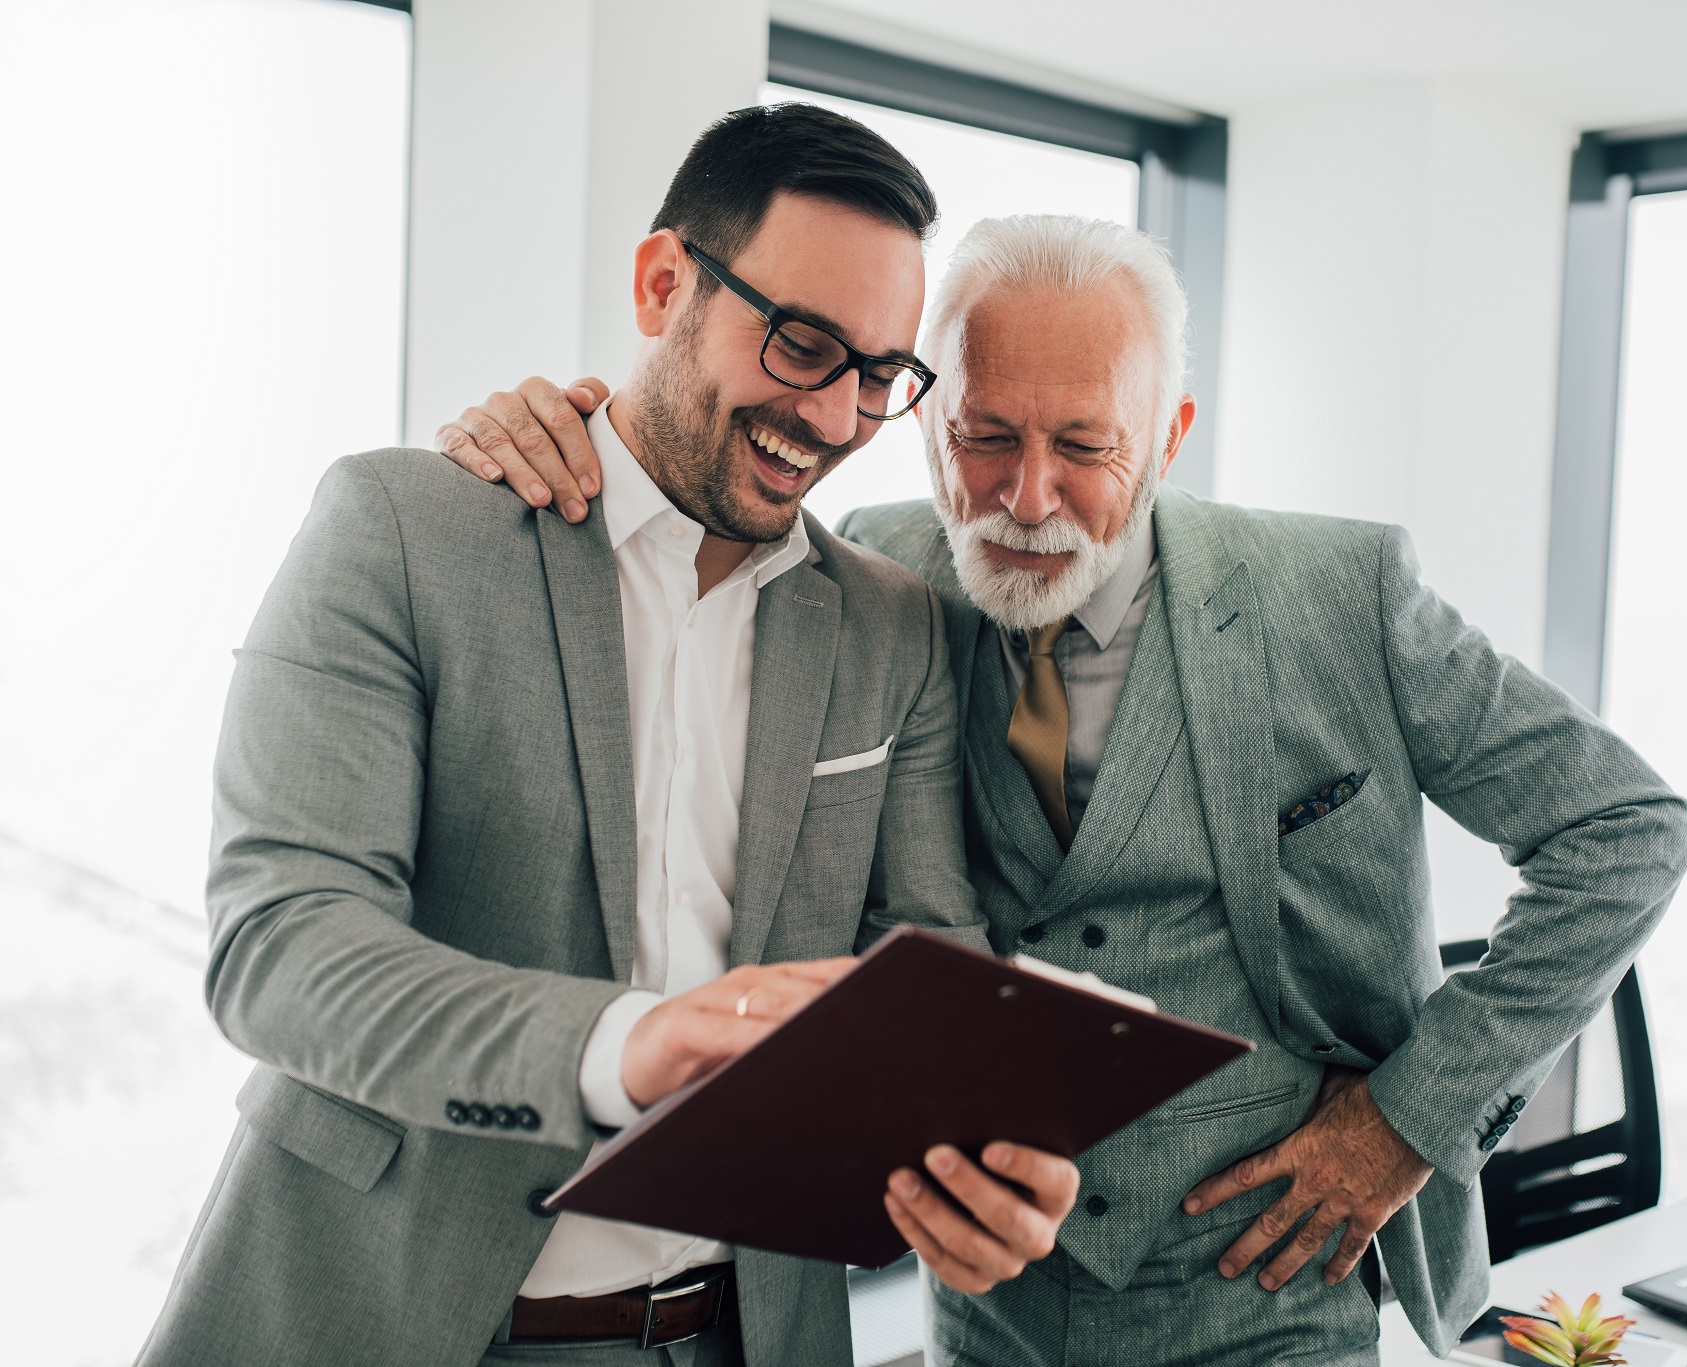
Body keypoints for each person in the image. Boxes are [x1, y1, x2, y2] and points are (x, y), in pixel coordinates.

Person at [439, 212, 1687, 1366]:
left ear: (1168, 434)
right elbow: (681, 490)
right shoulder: (865, 572)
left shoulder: (1343, 593)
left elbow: (1624, 831)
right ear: (922, 418)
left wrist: (1407, 1117)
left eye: (1084, 446)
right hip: (987, 1306)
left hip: (1279, 1292)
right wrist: (554, 429)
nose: (1024, 498)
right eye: (982, 437)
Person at [140, 106, 1079, 1367]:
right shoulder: (402, 530)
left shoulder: (892, 623)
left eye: (878, 373)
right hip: (380, 1313)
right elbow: (281, 944)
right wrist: (629, 1043)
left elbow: (919, 963)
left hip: (735, 1334)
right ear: (661, 284)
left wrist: (982, 1146)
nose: (837, 416)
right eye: (801, 344)